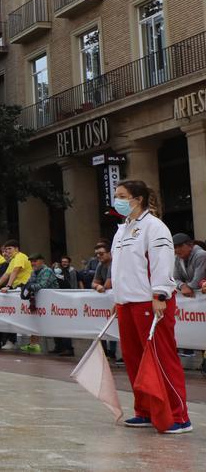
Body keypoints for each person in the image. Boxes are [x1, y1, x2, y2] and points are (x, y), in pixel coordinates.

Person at [109, 180, 191, 433]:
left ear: (139, 199)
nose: (117, 200)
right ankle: (144, 410)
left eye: (122, 196)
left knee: (161, 357)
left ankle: (179, 416)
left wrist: (160, 294)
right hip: (127, 303)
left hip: (150, 301)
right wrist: (118, 298)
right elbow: (120, 268)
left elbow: (161, 263)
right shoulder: (121, 230)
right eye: (116, 195)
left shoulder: (155, 227)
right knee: (134, 360)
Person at [51, 255, 79, 356]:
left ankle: (68, 348)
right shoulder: (59, 272)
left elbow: (73, 284)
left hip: (68, 300)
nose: (64, 263)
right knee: (56, 324)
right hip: (58, 301)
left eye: (66, 261)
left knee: (65, 325)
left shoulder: (71, 271)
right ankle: (59, 346)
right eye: (63, 262)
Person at [172, 233, 206, 299]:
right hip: (195, 298)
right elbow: (175, 279)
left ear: (190, 245)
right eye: (175, 247)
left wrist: (186, 287)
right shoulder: (177, 258)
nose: (177, 250)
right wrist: (182, 286)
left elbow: (198, 281)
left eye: (180, 246)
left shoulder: (201, 255)